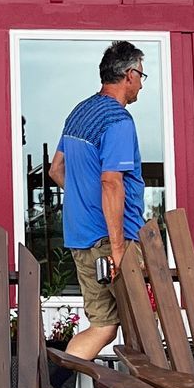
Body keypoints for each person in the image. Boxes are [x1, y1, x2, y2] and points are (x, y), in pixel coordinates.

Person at [48, 41, 146, 366]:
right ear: (129, 75)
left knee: (103, 326)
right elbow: (111, 182)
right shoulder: (118, 120)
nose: (142, 84)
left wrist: (83, 199)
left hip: (80, 237)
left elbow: (56, 169)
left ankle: (48, 387)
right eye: (141, 76)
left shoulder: (79, 113)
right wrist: (118, 250)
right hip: (113, 240)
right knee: (143, 323)